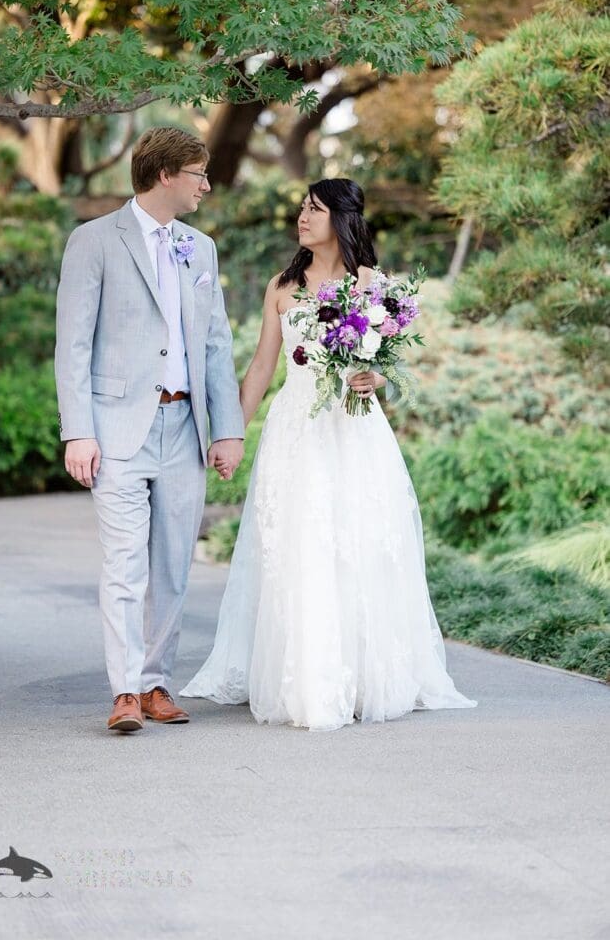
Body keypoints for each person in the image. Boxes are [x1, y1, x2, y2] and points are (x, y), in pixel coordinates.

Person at [181, 178, 476, 731]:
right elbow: (263, 369)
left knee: (356, 546)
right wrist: (231, 436)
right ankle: (309, 677)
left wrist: (375, 376)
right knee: (299, 548)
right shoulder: (282, 286)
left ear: (342, 219)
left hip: (354, 435)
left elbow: (385, 360)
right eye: (300, 207)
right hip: (296, 431)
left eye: (313, 210)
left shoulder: (369, 283)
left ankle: (362, 676)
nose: (301, 217)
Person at [55, 126, 244, 733]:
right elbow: (73, 344)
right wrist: (77, 430)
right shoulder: (93, 241)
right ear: (166, 175)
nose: (206, 186)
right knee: (124, 565)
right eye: (198, 175)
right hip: (115, 430)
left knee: (172, 566)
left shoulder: (201, 249)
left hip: (185, 429)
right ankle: (125, 692)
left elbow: (216, 346)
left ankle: (158, 681)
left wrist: (228, 429)